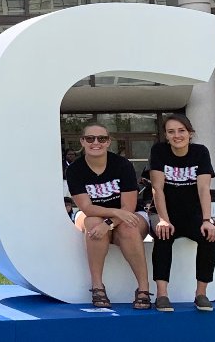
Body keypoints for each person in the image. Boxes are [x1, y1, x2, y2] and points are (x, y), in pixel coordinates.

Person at [64, 124, 150, 310]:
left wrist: (110, 222)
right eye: (90, 138)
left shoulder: (122, 164)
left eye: (101, 138)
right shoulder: (75, 170)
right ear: (82, 141)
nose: (96, 142)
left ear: (108, 141)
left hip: (128, 216)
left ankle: (143, 288)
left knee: (129, 227)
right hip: (96, 215)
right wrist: (113, 213)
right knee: (94, 224)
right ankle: (97, 286)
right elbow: (87, 207)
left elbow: (129, 207)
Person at [148, 113, 215, 312]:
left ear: (190, 133)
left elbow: (204, 189)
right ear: (166, 135)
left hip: (192, 213)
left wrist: (207, 220)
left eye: (181, 131)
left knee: (209, 238)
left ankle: (201, 294)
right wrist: (163, 219)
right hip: (165, 212)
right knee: (163, 236)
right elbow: (157, 188)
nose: (177, 135)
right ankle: (162, 295)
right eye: (171, 132)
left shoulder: (200, 152)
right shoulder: (159, 151)